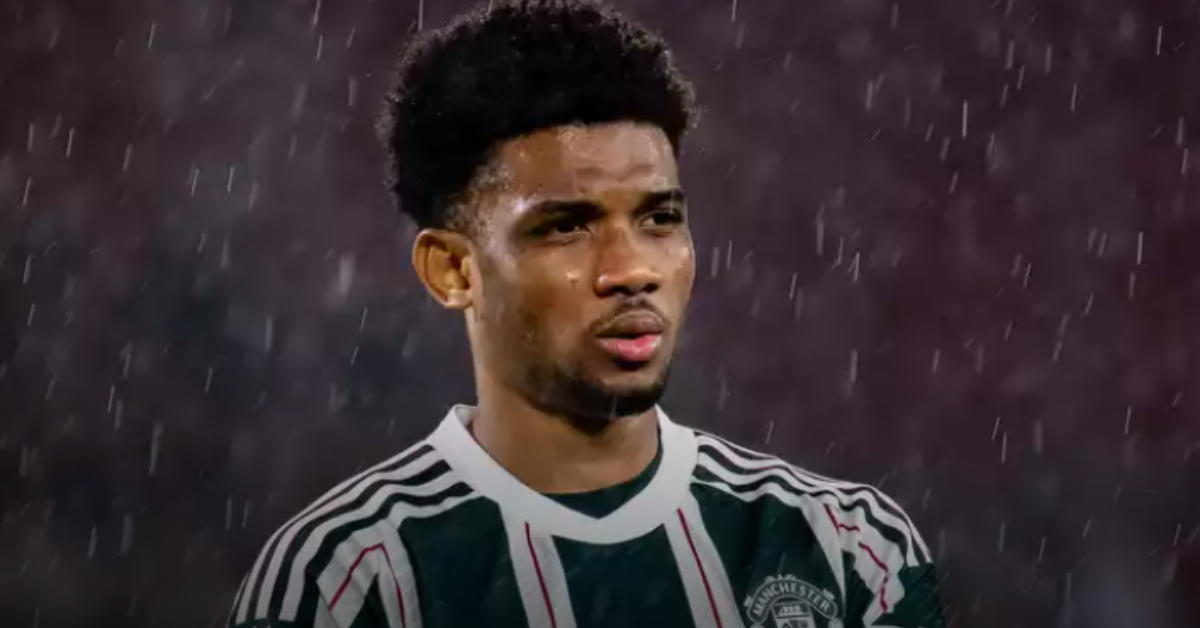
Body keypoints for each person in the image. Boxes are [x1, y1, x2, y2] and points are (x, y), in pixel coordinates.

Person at [227, 1, 947, 627]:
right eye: (566, 227)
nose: (631, 270)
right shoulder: (344, 582)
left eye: (659, 219)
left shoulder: (846, 549)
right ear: (453, 270)